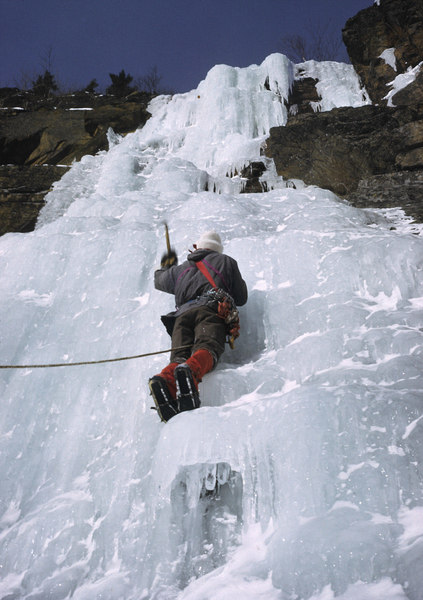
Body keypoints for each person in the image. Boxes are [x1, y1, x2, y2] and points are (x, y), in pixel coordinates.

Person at [149, 231, 248, 422]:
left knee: (179, 356)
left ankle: (164, 380)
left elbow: (158, 280)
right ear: (217, 249)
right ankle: (190, 372)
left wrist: (166, 266)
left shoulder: (181, 269)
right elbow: (241, 298)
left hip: (180, 317)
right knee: (208, 348)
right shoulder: (226, 261)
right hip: (209, 312)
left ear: (197, 247)